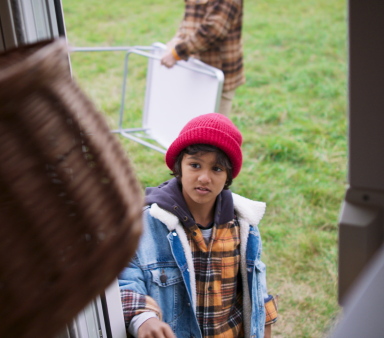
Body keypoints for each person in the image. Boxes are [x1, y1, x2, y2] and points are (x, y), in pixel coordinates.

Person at [118, 113, 278, 337]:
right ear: (179, 166)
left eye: (217, 169)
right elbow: (125, 279)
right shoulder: (148, 223)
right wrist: (143, 318)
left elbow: (256, 292)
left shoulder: (244, 225)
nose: (204, 178)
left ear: (228, 175)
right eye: (195, 165)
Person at [160, 0, 245, 116]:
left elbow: (213, 31)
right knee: (186, 125)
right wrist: (176, 41)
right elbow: (188, 21)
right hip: (193, 71)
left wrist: (177, 53)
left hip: (216, 74)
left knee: (212, 130)